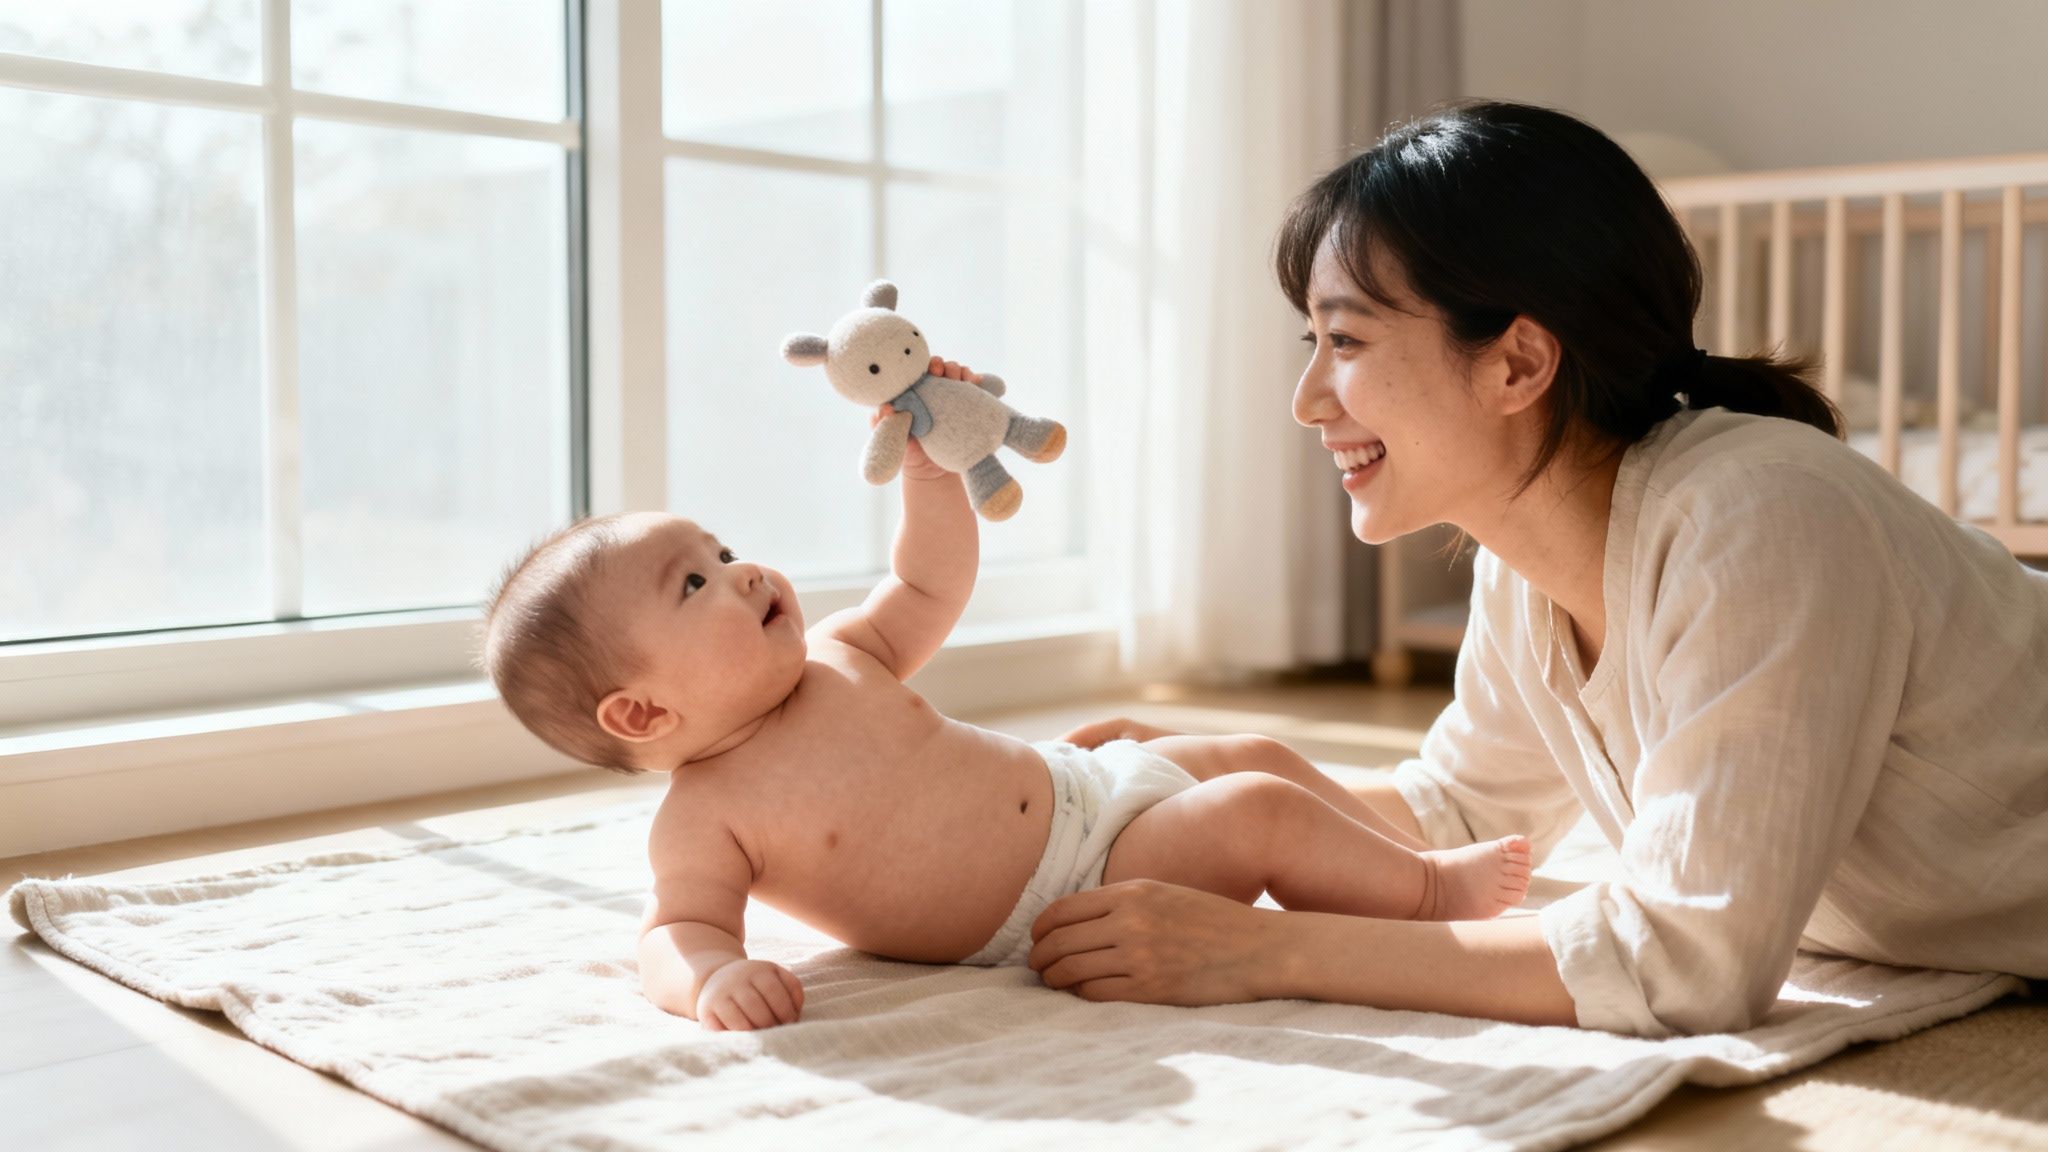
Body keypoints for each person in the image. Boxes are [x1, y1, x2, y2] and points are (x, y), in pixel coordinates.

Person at [1024, 100, 2048, 1037]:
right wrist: (1237, 767)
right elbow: (1461, 815)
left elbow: (1685, 963)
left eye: (1341, 338)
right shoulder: (1522, 564)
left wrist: (1261, 952)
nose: (1306, 399)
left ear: (1518, 361)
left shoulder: (1761, 516)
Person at [476, 360, 1534, 1032]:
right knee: (1254, 817)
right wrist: (707, 982)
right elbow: (675, 928)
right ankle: (1427, 900)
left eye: (725, 549)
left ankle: (1389, 861)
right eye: (695, 584)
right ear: (641, 714)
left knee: (1250, 756)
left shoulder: (840, 655)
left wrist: (935, 477)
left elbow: (929, 583)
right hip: (1068, 891)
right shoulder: (704, 818)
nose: (745, 573)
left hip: (1086, 787)